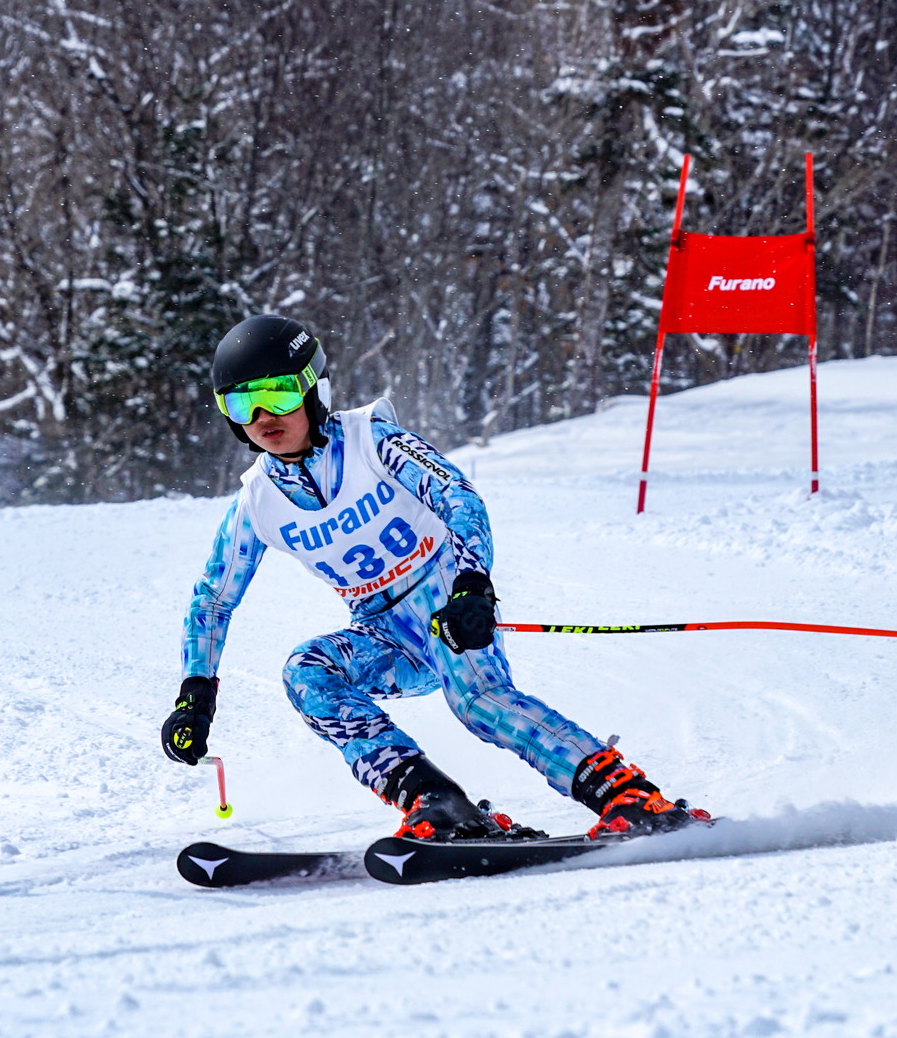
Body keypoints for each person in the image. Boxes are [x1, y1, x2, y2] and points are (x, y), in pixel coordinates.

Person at [161, 315, 710, 843]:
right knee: (308, 673)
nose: (261, 414)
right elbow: (213, 600)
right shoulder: (258, 500)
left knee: (478, 700)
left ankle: (630, 796)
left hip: (448, 604)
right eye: (241, 402)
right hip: (383, 634)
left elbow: (458, 497)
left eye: (278, 394)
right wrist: (195, 694)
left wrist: (472, 586)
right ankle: (435, 802)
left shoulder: (372, 441)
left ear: (313, 390)